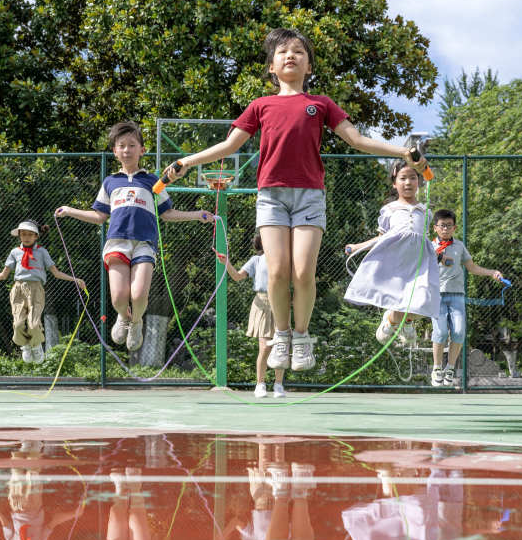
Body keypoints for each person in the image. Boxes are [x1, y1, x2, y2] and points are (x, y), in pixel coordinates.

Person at [162, 28, 427, 371]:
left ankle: (301, 337)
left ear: (309, 66)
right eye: (283, 51)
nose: (291, 56)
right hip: (271, 197)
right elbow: (229, 147)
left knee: (303, 271)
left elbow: (358, 140)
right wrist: (185, 162)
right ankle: (282, 335)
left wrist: (404, 152)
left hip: (309, 197)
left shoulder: (321, 104)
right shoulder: (261, 105)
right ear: (271, 66)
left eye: (299, 52)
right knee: (277, 271)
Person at [55, 121, 213, 351]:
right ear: (115, 151)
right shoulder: (110, 182)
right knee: (119, 298)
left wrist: (197, 214)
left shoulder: (153, 182)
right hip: (116, 243)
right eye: (122, 146)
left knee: (138, 295)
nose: (127, 150)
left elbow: (167, 213)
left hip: (144, 244)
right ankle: (123, 316)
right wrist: (70, 210)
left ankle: (136, 321)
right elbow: (100, 216)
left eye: (132, 145)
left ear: (142, 150)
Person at [344, 163, 440, 348]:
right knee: (400, 298)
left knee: (424, 296)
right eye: (402, 178)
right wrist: (357, 247)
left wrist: (440, 255)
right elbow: (381, 237)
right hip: (396, 263)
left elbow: (425, 239)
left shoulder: (425, 211)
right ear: (394, 184)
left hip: (418, 263)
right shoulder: (390, 209)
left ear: (419, 182)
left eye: (412, 178)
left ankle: (406, 322)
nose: (408, 182)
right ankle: (392, 321)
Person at [0, 220, 86, 363]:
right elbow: (3, 275)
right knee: (18, 324)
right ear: (19, 235)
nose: (26, 237)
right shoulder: (15, 252)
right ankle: (25, 345)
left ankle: (36, 345)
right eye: (23, 234)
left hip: (36, 289)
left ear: (36, 236)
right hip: (18, 290)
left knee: (33, 324)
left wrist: (75, 279)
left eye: (30, 234)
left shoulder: (42, 252)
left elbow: (56, 273)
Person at [428, 209, 504, 388]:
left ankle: (450, 368)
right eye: (442, 225)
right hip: (436, 296)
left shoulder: (459, 246)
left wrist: (491, 273)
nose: (445, 229)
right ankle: (437, 368)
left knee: (459, 332)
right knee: (440, 332)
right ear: (435, 228)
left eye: (449, 225)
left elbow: (472, 267)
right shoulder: (429, 246)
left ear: (454, 227)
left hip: (457, 296)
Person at [217, 232, 286, 398]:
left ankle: (278, 385)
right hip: (261, 303)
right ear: (262, 242)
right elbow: (237, 276)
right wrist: (226, 262)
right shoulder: (256, 260)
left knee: (280, 346)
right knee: (265, 347)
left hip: (281, 303)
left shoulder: (284, 258)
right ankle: (260, 384)